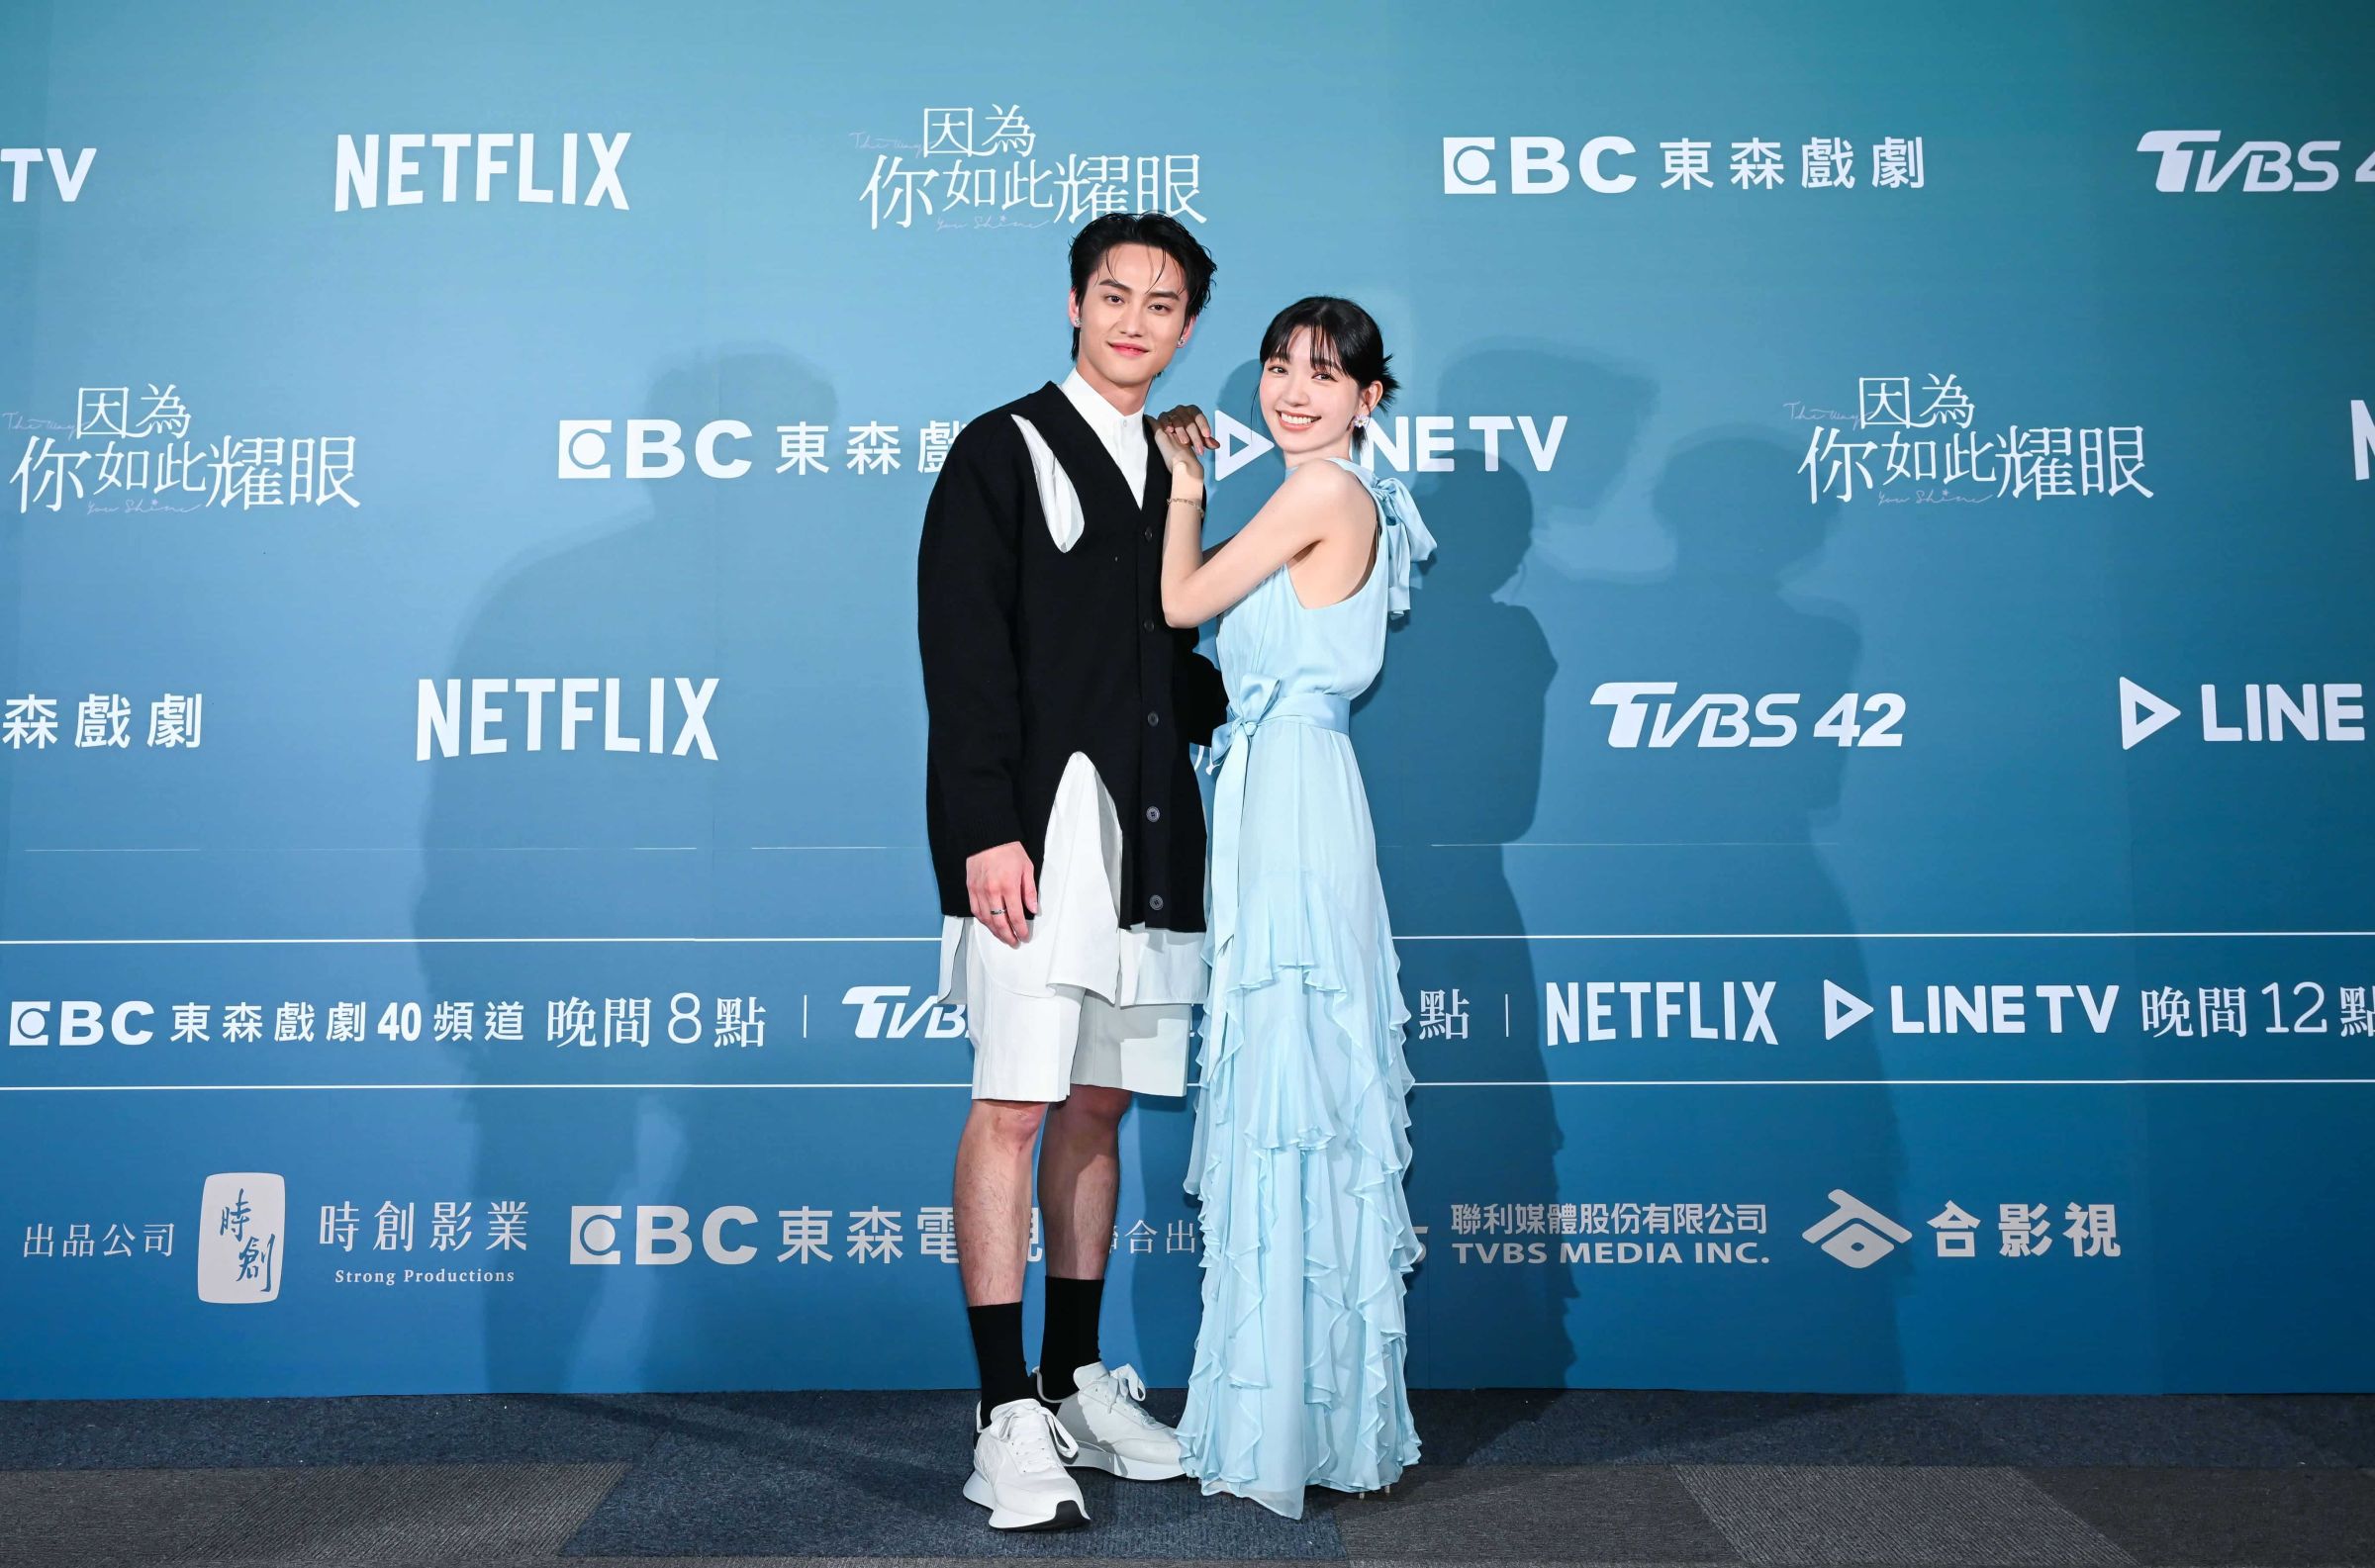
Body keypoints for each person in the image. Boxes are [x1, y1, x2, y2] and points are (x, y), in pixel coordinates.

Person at [915, 212, 1227, 1532]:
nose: (1134, 321)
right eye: (1114, 295)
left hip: (1152, 844)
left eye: (1162, 303)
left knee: (1097, 1105)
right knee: (1014, 1104)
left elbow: (1173, 657)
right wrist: (983, 828)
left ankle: (1075, 1381)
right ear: (1072, 303)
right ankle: (1004, 1415)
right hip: (1037, 841)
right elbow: (962, 654)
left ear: (1188, 327)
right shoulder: (1001, 448)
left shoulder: (1179, 464)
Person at [1152, 297, 1436, 1518]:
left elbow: (1181, 602)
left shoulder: (1319, 489)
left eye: (1323, 373)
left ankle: (1282, 1425)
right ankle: (1301, 1418)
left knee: (1289, 1077)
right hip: (1289, 786)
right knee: (1298, 1080)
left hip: (1294, 797)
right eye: (1278, 367)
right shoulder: (1335, 486)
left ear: (1369, 396)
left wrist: (1183, 487)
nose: (1291, 391)